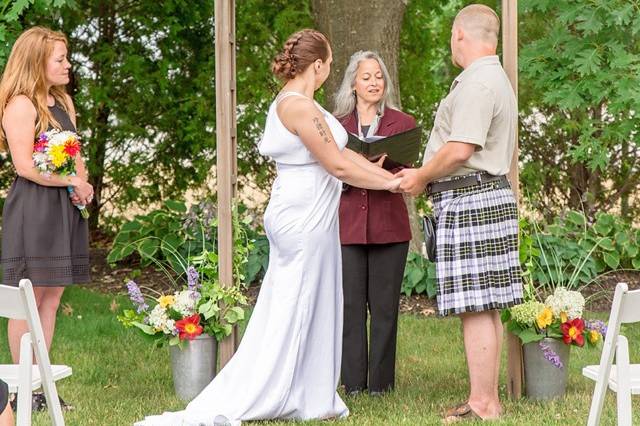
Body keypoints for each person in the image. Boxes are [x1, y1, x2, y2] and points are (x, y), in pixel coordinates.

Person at [136, 29, 400, 426]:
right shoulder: (298, 108)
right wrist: (393, 183)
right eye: (329, 62)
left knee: (311, 301)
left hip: (310, 210)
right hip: (302, 213)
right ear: (318, 65)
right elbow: (338, 165)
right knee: (296, 302)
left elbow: (345, 154)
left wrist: (393, 180)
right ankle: (272, 388)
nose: (330, 69)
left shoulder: (304, 105)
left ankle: (307, 390)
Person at [397, 4, 523, 422]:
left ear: (459, 34)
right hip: (484, 195)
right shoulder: (492, 78)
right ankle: (486, 399)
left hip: (472, 197)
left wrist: (419, 177)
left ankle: (484, 403)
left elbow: (459, 149)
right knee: (484, 304)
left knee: (476, 305)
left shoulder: (478, 83)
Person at [0, 27, 92, 410]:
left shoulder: (62, 101)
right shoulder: (20, 105)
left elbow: (74, 154)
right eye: (60, 59)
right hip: (34, 210)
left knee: (51, 299)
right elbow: (23, 167)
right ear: (38, 62)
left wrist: (82, 182)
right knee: (29, 297)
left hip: (64, 210)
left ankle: (41, 388)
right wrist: (69, 179)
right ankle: (21, 389)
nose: (67, 65)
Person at [333, 51, 415, 396]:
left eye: (379, 76)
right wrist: (361, 171)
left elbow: (408, 170)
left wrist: (385, 170)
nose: (373, 83)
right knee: (350, 308)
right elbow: (328, 171)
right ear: (353, 83)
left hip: (389, 227)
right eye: (366, 77)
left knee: (384, 309)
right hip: (348, 226)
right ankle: (352, 384)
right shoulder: (336, 125)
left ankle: (381, 385)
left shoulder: (403, 123)